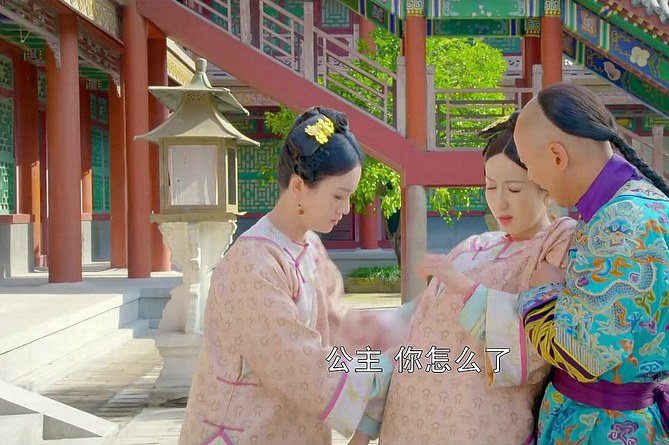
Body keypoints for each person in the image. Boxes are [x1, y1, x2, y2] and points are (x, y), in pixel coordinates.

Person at [178, 107, 411, 445]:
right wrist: (377, 378)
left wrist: (399, 328)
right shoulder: (253, 263)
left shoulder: (310, 246)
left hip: (293, 426)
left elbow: (339, 325)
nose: (345, 208)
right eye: (338, 195)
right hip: (244, 429)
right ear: (300, 186)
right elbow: (296, 364)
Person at [363, 112, 577, 445]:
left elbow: (540, 344)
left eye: (514, 188)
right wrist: (366, 426)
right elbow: (411, 338)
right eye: (490, 186)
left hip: (478, 428)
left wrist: (464, 288)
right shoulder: (473, 246)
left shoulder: (557, 242)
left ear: (545, 185)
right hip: (406, 421)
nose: (499, 201)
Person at [511, 83, 669, 445]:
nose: (531, 177)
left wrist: (543, 291)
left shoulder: (623, 222)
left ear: (557, 156)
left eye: (528, 164)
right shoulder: (630, 203)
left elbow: (583, 355)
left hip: (600, 428)